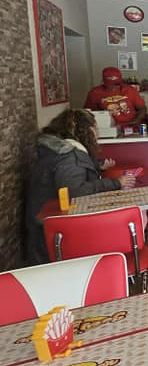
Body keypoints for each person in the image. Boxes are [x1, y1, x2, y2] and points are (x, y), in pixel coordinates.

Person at [24, 109, 136, 265]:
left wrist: (97, 167)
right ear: (88, 131)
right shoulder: (69, 157)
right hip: (54, 234)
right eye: (96, 128)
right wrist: (117, 183)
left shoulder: (58, 150)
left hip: (44, 227)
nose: (98, 133)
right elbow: (76, 191)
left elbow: (70, 175)